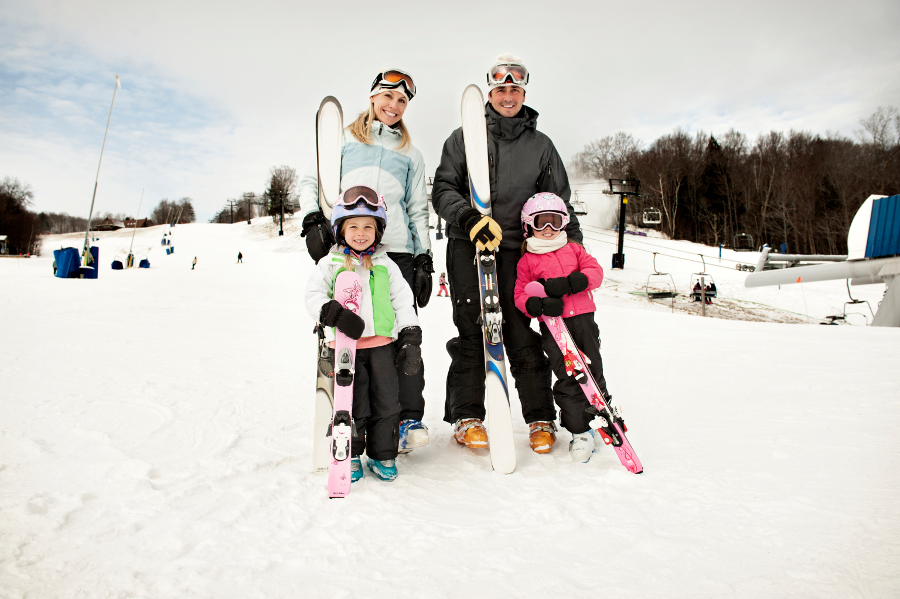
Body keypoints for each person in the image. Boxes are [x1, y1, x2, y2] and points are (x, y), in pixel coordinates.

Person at [431, 53, 582, 454]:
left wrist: (574, 255)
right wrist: (469, 218)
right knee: (473, 328)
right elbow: (443, 189)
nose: (508, 95)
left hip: (519, 251)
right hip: (470, 244)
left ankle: (539, 418)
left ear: (523, 92)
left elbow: (559, 202)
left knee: (518, 329)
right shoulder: (464, 136)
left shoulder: (542, 146)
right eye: (501, 89)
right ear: (491, 93)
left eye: (515, 88)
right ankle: (467, 416)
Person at [299, 69, 432, 454]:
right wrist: (312, 220)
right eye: (388, 96)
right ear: (373, 97)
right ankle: (349, 417)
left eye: (402, 101)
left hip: (396, 252)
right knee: (350, 332)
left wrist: (423, 258)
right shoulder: (343, 140)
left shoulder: (411, 154)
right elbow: (313, 183)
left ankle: (406, 418)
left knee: (401, 339)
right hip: (346, 248)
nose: (394, 106)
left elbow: (417, 209)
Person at [305, 186, 422, 482]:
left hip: (382, 345)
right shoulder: (329, 264)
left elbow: (403, 301)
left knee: (387, 401)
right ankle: (352, 453)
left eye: (368, 226)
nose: (361, 232)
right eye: (353, 226)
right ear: (340, 230)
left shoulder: (386, 265)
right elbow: (313, 295)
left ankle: (383, 454)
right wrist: (335, 315)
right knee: (352, 402)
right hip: (345, 348)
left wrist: (409, 337)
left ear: (378, 231)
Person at [513, 192, 619, 463]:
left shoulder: (573, 249)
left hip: (583, 319)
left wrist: (574, 283)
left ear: (564, 224)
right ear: (529, 225)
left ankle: (601, 417)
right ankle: (580, 432)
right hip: (554, 327)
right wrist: (537, 305)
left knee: (593, 370)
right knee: (569, 375)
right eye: (541, 223)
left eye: (555, 223)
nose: (548, 230)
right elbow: (520, 295)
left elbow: (595, 271)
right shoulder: (527, 260)